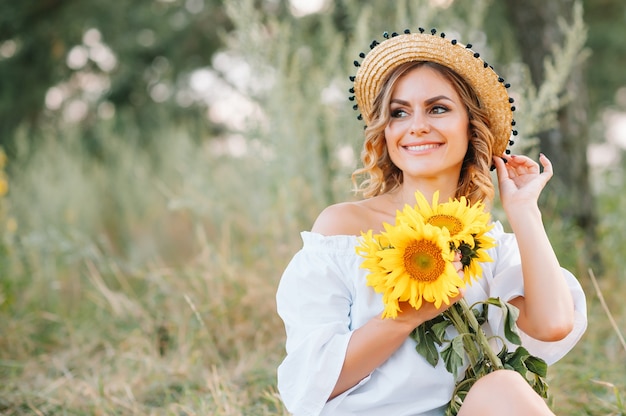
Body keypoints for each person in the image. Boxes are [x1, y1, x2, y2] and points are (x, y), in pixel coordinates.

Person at [276, 28, 587, 416]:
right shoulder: (343, 229)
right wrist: (403, 318)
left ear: (471, 126)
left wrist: (525, 211)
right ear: (385, 132)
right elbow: (311, 384)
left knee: (503, 386)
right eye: (399, 112)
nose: (417, 125)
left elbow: (553, 325)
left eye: (438, 108)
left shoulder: (488, 244)